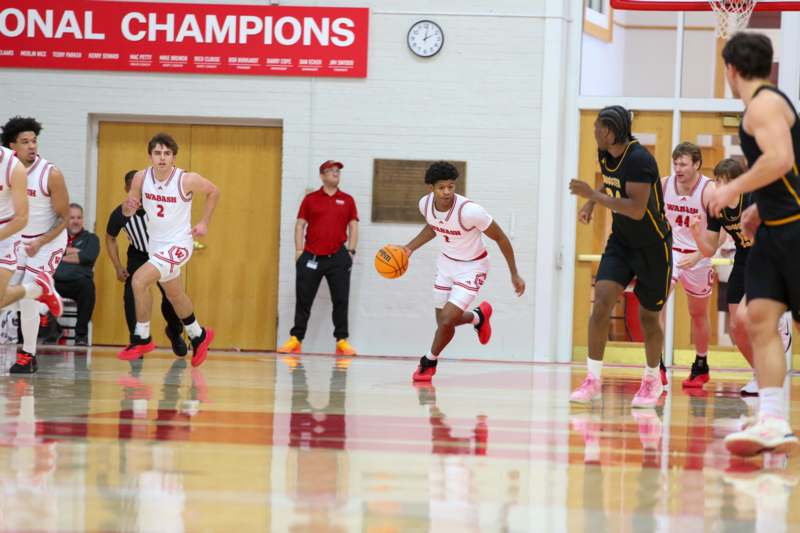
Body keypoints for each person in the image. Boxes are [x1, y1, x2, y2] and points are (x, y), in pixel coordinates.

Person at [709, 32, 800, 456]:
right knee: (756, 317)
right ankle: (773, 420)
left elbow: (780, 158)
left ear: (731, 68)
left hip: (795, 229)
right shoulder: (764, 105)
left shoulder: (762, 105)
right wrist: (759, 208)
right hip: (773, 229)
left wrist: (734, 191)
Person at [569, 105, 673, 408]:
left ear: (611, 131)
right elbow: (611, 181)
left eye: (597, 128)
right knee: (601, 300)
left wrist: (592, 196)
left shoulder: (640, 160)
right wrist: (591, 204)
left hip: (653, 246)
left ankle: (652, 379)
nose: (593, 132)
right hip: (622, 243)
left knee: (648, 317)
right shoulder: (606, 153)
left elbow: (636, 209)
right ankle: (593, 379)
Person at [402, 161, 525, 382]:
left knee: (447, 320)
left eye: (451, 186)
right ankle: (477, 317)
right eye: (442, 187)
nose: (447, 192)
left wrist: (514, 273)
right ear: (431, 188)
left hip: (472, 266)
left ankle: (428, 362)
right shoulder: (425, 204)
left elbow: (500, 237)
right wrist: (409, 248)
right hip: (446, 264)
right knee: (442, 321)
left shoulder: (470, 212)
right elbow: (433, 227)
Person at [690, 158, 792, 395]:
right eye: (715, 180)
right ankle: (759, 374)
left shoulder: (752, 199)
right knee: (736, 328)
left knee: (748, 319)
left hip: (766, 257)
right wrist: (696, 234)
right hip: (743, 259)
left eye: (722, 181)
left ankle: (780, 322)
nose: (717, 186)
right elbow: (709, 249)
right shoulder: (716, 206)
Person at [117, 133, 218, 367]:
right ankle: (198, 335)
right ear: (150, 156)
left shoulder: (186, 179)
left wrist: (204, 222)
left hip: (179, 244)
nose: (162, 158)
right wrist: (129, 207)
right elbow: (128, 210)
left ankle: (142, 337)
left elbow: (214, 191)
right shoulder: (141, 178)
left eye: (167, 153)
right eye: (157, 153)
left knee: (139, 281)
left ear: (173, 157)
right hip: (156, 246)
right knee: (175, 295)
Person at [0, 116, 69, 373]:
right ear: (11, 146)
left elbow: (65, 218)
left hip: (47, 242)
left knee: (27, 298)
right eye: (25, 141)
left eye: (34, 141)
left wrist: (41, 240)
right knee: (5, 296)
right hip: (17, 240)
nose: (31, 146)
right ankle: (42, 296)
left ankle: (28, 355)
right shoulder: (6, 170)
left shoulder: (51, 173)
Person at [277, 160, 359, 356]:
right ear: (322, 176)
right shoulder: (311, 199)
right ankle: (296, 339)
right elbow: (300, 225)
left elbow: (354, 226)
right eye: (331, 171)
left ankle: (341, 341)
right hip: (311, 256)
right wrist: (299, 251)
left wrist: (351, 252)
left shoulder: (347, 200)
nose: (336, 173)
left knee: (341, 299)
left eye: (338, 171)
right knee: (303, 299)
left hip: (338, 257)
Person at [106, 170, 187, 356]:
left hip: (162, 253)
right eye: (134, 187)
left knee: (171, 297)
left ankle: (174, 332)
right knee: (130, 296)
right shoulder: (121, 213)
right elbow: (110, 238)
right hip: (138, 255)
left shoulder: (161, 205)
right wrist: (118, 266)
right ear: (128, 189)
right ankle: (138, 341)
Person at [661, 142, 715, 388]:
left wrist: (700, 253)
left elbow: (722, 230)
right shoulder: (664, 185)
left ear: (696, 164)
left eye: (683, 163)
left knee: (697, 313)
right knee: (655, 307)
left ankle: (701, 364)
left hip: (699, 255)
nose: (678, 168)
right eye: (675, 163)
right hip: (671, 252)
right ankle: (656, 364)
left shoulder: (709, 190)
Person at [53, 204, 100, 345]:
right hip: (55, 282)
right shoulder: (56, 237)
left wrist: (61, 254)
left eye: (79, 217)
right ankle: (53, 331)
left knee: (88, 287)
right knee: (37, 284)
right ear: (66, 219)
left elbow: (88, 257)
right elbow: (47, 256)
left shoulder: (91, 239)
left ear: (83, 219)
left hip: (78, 283)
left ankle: (81, 335)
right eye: (72, 217)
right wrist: (76, 252)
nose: (75, 221)